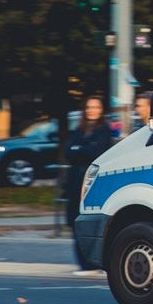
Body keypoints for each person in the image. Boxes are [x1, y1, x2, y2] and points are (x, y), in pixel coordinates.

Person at [62, 96, 113, 235]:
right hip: (75, 184)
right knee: (75, 226)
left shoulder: (104, 130)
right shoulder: (80, 129)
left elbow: (95, 153)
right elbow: (68, 151)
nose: (92, 110)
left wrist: (78, 149)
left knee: (89, 228)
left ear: (101, 110)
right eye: (89, 107)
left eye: (96, 107)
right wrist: (82, 149)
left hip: (92, 183)